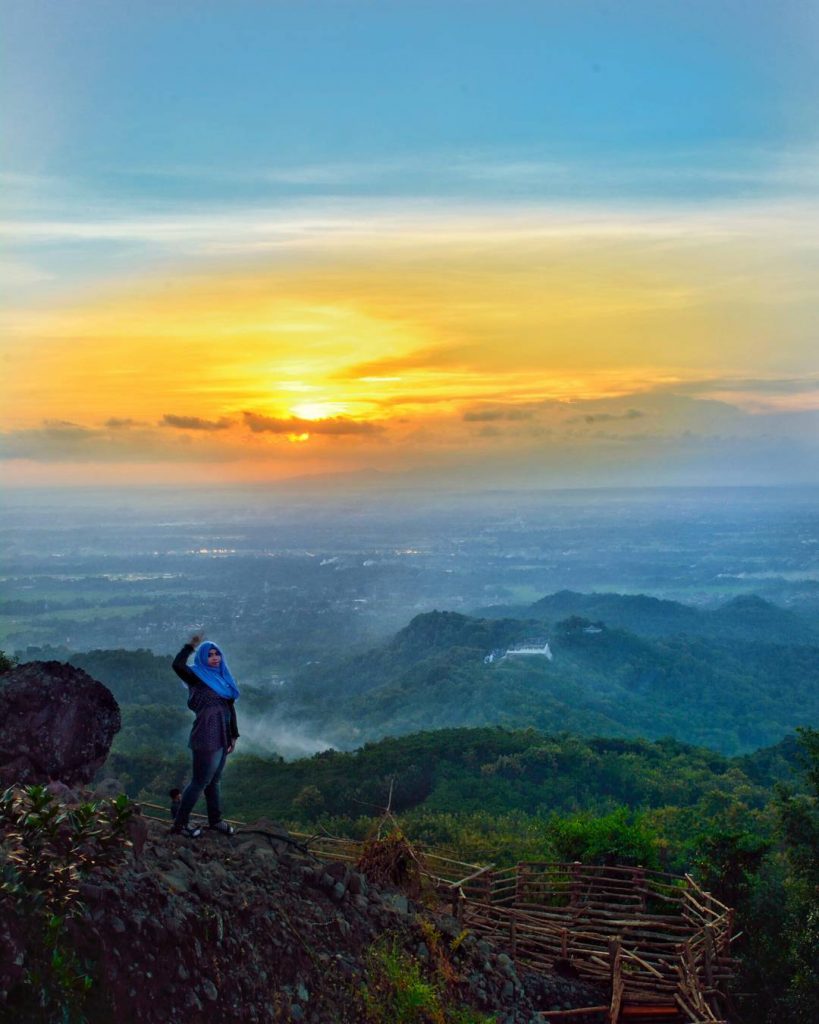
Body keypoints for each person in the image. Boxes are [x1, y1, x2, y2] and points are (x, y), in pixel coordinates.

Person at [170, 634, 240, 838]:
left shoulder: (224, 679)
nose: (215, 657)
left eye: (217, 653)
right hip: (206, 734)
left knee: (214, 781)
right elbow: (177, 665)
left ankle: (215, 821)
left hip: (223, 735)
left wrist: (233, 735)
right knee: (199, 781)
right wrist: (191, 645)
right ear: (202, 658)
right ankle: (180, 824)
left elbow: (229, 709)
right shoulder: (197, 677)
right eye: (209, 654)